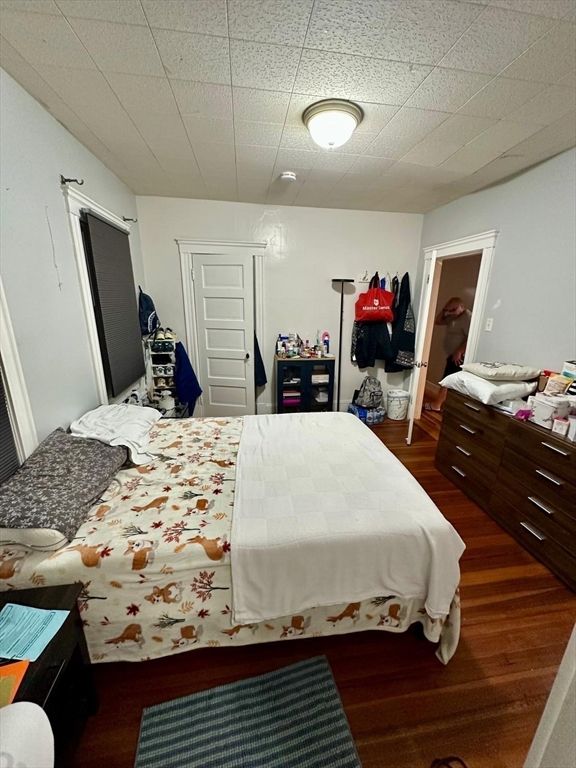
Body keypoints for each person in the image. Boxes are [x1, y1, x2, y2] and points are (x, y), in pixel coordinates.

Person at [425, 297, 471, 412]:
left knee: (447, 380)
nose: (450, 312)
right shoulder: (452, 316)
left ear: (462, 307)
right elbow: (437, 321)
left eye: (454, 309)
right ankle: (444, 404)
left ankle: (437, 405)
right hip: (451, 355)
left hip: (459, 357)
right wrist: (446, 310)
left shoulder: (467, 317)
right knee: (447, 379)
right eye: (448, 309)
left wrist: (459, 351)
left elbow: (471, 337)